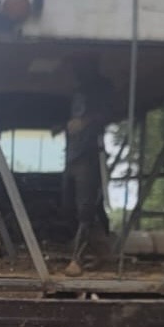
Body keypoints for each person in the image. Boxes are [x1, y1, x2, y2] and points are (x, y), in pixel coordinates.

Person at [62, 56, 114, 276]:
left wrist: (84, 122)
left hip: (88, 156)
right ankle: (103, 251)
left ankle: (78, 259)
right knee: (71, 206)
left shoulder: (101, 87)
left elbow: (106, 113)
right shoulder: (78, 91)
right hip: (74, 155)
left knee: (85, 209)